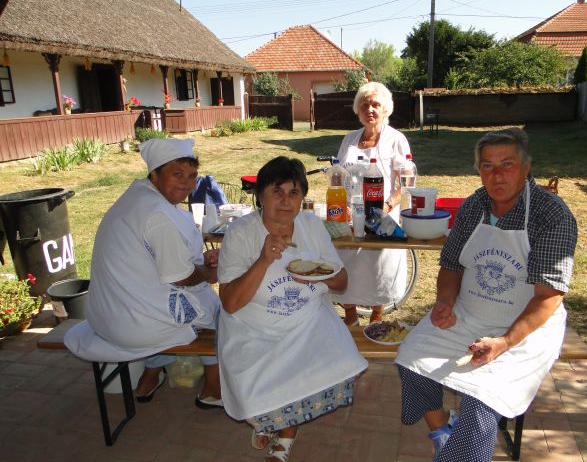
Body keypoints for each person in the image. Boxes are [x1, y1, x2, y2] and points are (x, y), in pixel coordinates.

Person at [395, 128, 578, 461]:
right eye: (488, 166)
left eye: (507, 164)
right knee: (411, 358)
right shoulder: (474, 206)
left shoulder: (551, 215)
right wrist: (445, 302)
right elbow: (451, 265)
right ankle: (442, 430)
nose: (497, 175)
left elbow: (548, 296)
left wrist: (504, 342)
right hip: (469, 313)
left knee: (480, 400)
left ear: (526, 167)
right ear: (479, 170)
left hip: (525, 328)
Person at [217, 156, 368, 462]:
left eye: (294, 193)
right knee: (250, 387)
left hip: (305, 321)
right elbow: (230, 303)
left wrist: (319, 274)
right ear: (260, 196)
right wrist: (263, 260)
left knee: (335, 363)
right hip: (252, 326)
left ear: (302, 198)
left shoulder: (311, 226)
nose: (286, 201)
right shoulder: (241, 232)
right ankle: (268, 418)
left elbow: (341, 282)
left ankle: (286, 432)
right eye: (277, 191)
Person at [65, 138, 223, 409]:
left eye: (192, 175)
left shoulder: (136, 197)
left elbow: (153, 260)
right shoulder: (158, 214)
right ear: (154, 174)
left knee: (169, 305)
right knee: (222, 313)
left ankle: (149, 378)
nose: (186, 183)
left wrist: (199, 263)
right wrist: (209, 273)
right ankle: (213, 389)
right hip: (133, 327)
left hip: (106, 316)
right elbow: (182, 277)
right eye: (177, 174)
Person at [334, 81, 412, 325]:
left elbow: (406, 183)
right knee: (345, 259)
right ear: (358, 110)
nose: (370, 109)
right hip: (350, 212)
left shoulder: (396, 139)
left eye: (376, 105)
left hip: (382, 213)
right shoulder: (349, 139)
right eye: (364, 105)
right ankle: (350, 315)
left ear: (385, 109)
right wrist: (342, 203)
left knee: (378, 266)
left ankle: (377, 316)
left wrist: (386, 207)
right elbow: (339, 174)